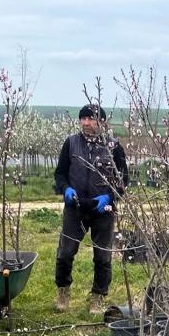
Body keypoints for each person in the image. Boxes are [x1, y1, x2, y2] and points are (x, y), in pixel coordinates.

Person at [53, 104, 128, 314]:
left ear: (101, 122)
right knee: (65, 252)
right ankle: (63, 291)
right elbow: (60, 173)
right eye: (83, 119)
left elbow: (123, 180)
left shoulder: (113, 147)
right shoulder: (71, 143)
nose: (86, 123)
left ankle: (98, 297)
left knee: (102, 256)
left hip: (102, 209)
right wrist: (66, 189)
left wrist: (110, 197)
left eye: (91, 118)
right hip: (75, 207)